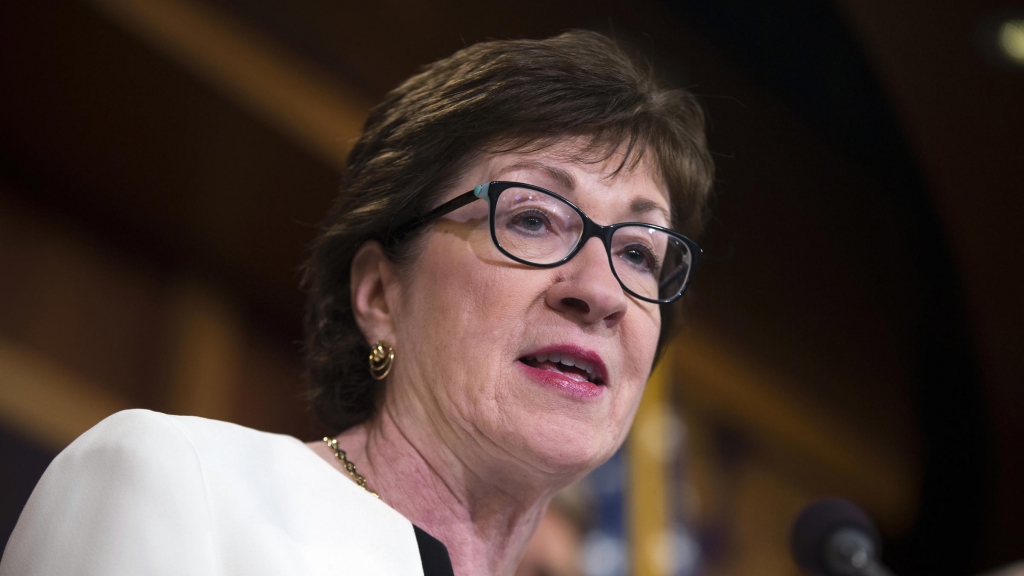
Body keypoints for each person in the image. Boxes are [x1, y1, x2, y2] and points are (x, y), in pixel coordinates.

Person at [0, 30, 713, 576]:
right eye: (532, 218)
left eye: (638, 253)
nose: (599, 292)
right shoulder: (181, 484)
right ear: (379, 293)